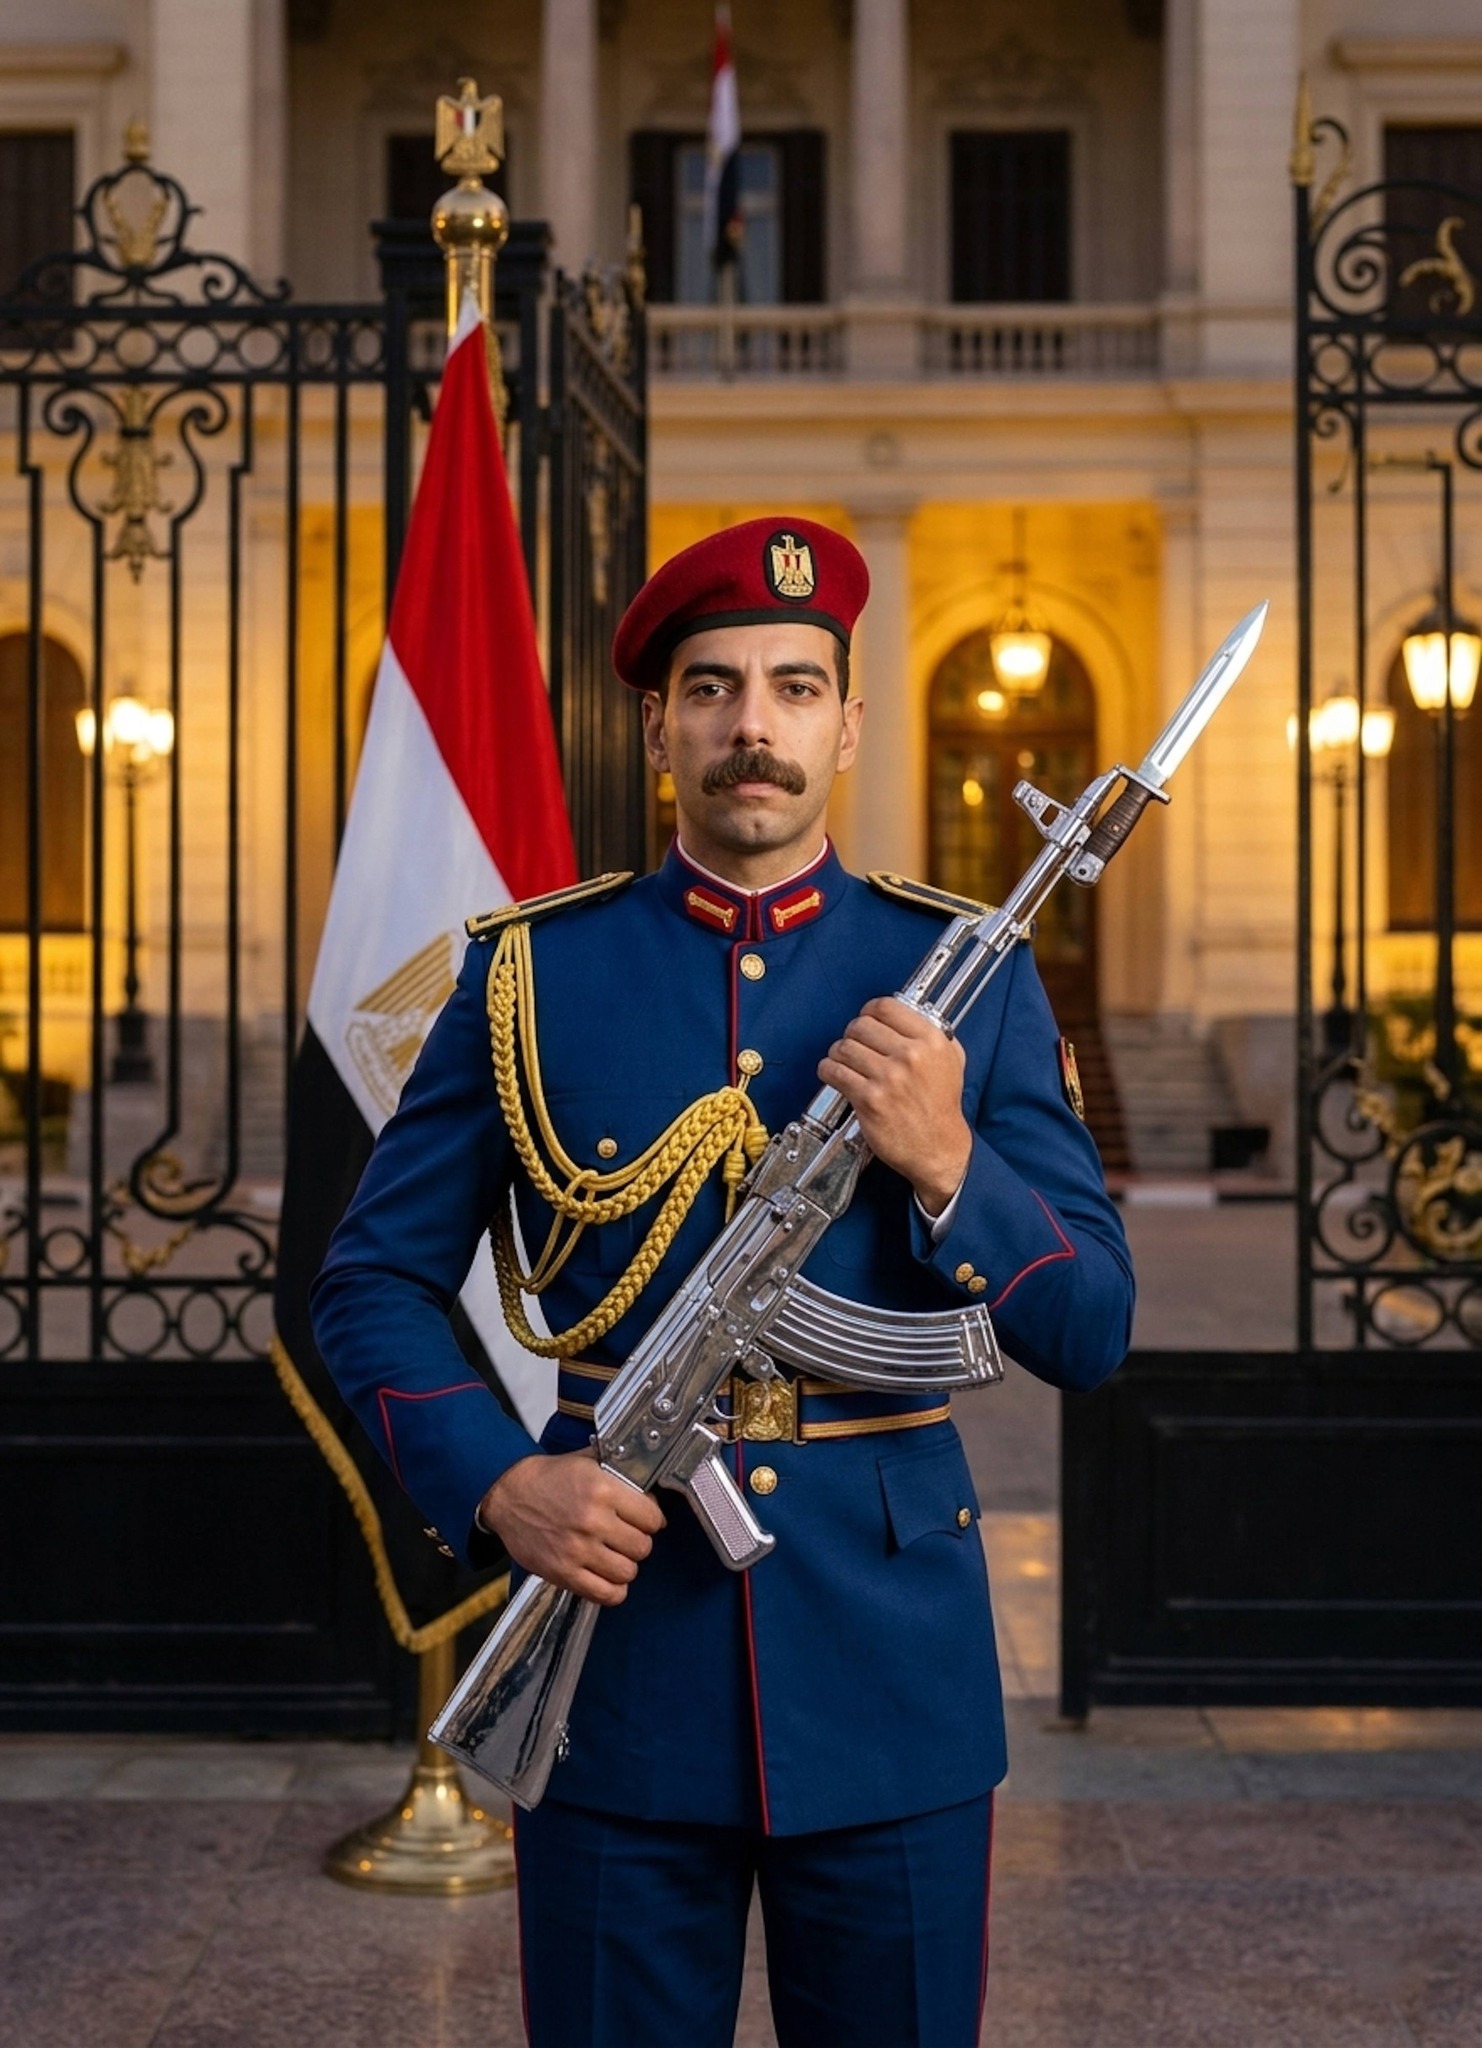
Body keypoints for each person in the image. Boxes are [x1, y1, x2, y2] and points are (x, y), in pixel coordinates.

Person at [311, 515, 1134, 2047]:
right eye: (712, 688)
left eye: (792, 687)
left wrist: (949, 1157)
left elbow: (1089, 1327)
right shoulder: (526, 975)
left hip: (890, 1671)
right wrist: (498, 1487)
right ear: (658, 725)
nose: (751, 726)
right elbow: (366, 1281)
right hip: (617, 1662)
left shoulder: (967, 971)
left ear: (847, 724)